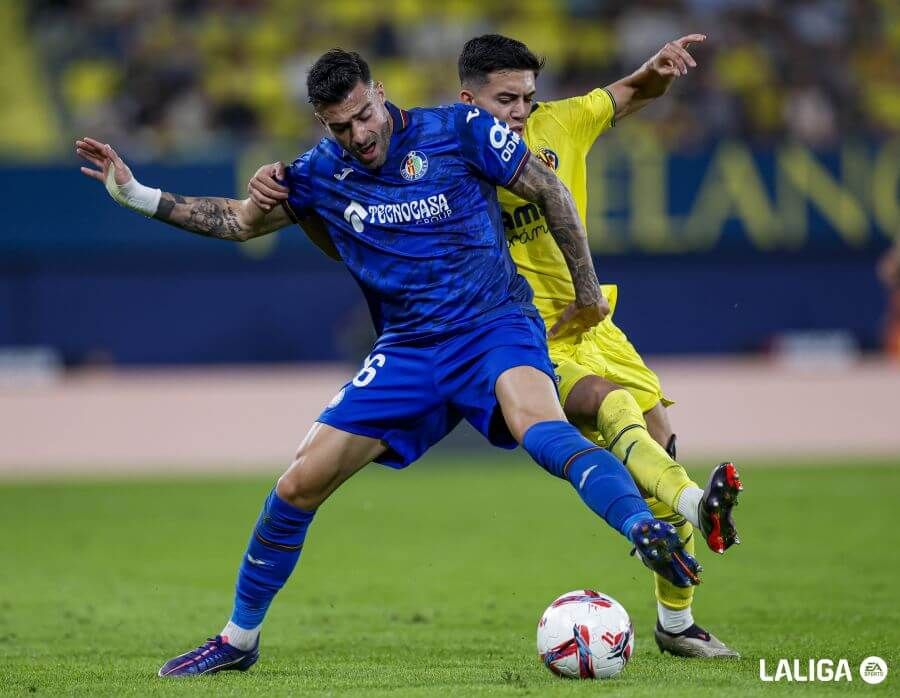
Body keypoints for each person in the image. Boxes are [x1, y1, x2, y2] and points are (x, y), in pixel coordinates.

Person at [75, 48, 700, 678]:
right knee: (297, 483)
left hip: (494, 325)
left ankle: (644, 529)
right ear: (323, 123)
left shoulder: (458, 131)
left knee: (537, 423)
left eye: (365, 116)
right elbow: (238, 222)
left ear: (381, 92)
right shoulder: (318, 172)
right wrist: (133, 193)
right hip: (408, 351)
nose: (359, 135)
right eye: (340, 127)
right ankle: (239, 641)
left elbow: (549, 190)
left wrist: (588, 291)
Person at [249, 38, 743, 659]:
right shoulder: (458, 144)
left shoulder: (561, 122)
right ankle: (695, 503)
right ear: (469, 99)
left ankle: (677, 621)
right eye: (504, 99)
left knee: (661, 440)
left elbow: (630, 94)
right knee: (607, 407)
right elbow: (328, 213)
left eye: (526, 98)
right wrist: (283, 186)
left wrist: (657, 68)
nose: (517, 112)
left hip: (597, 323)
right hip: (522, 327)